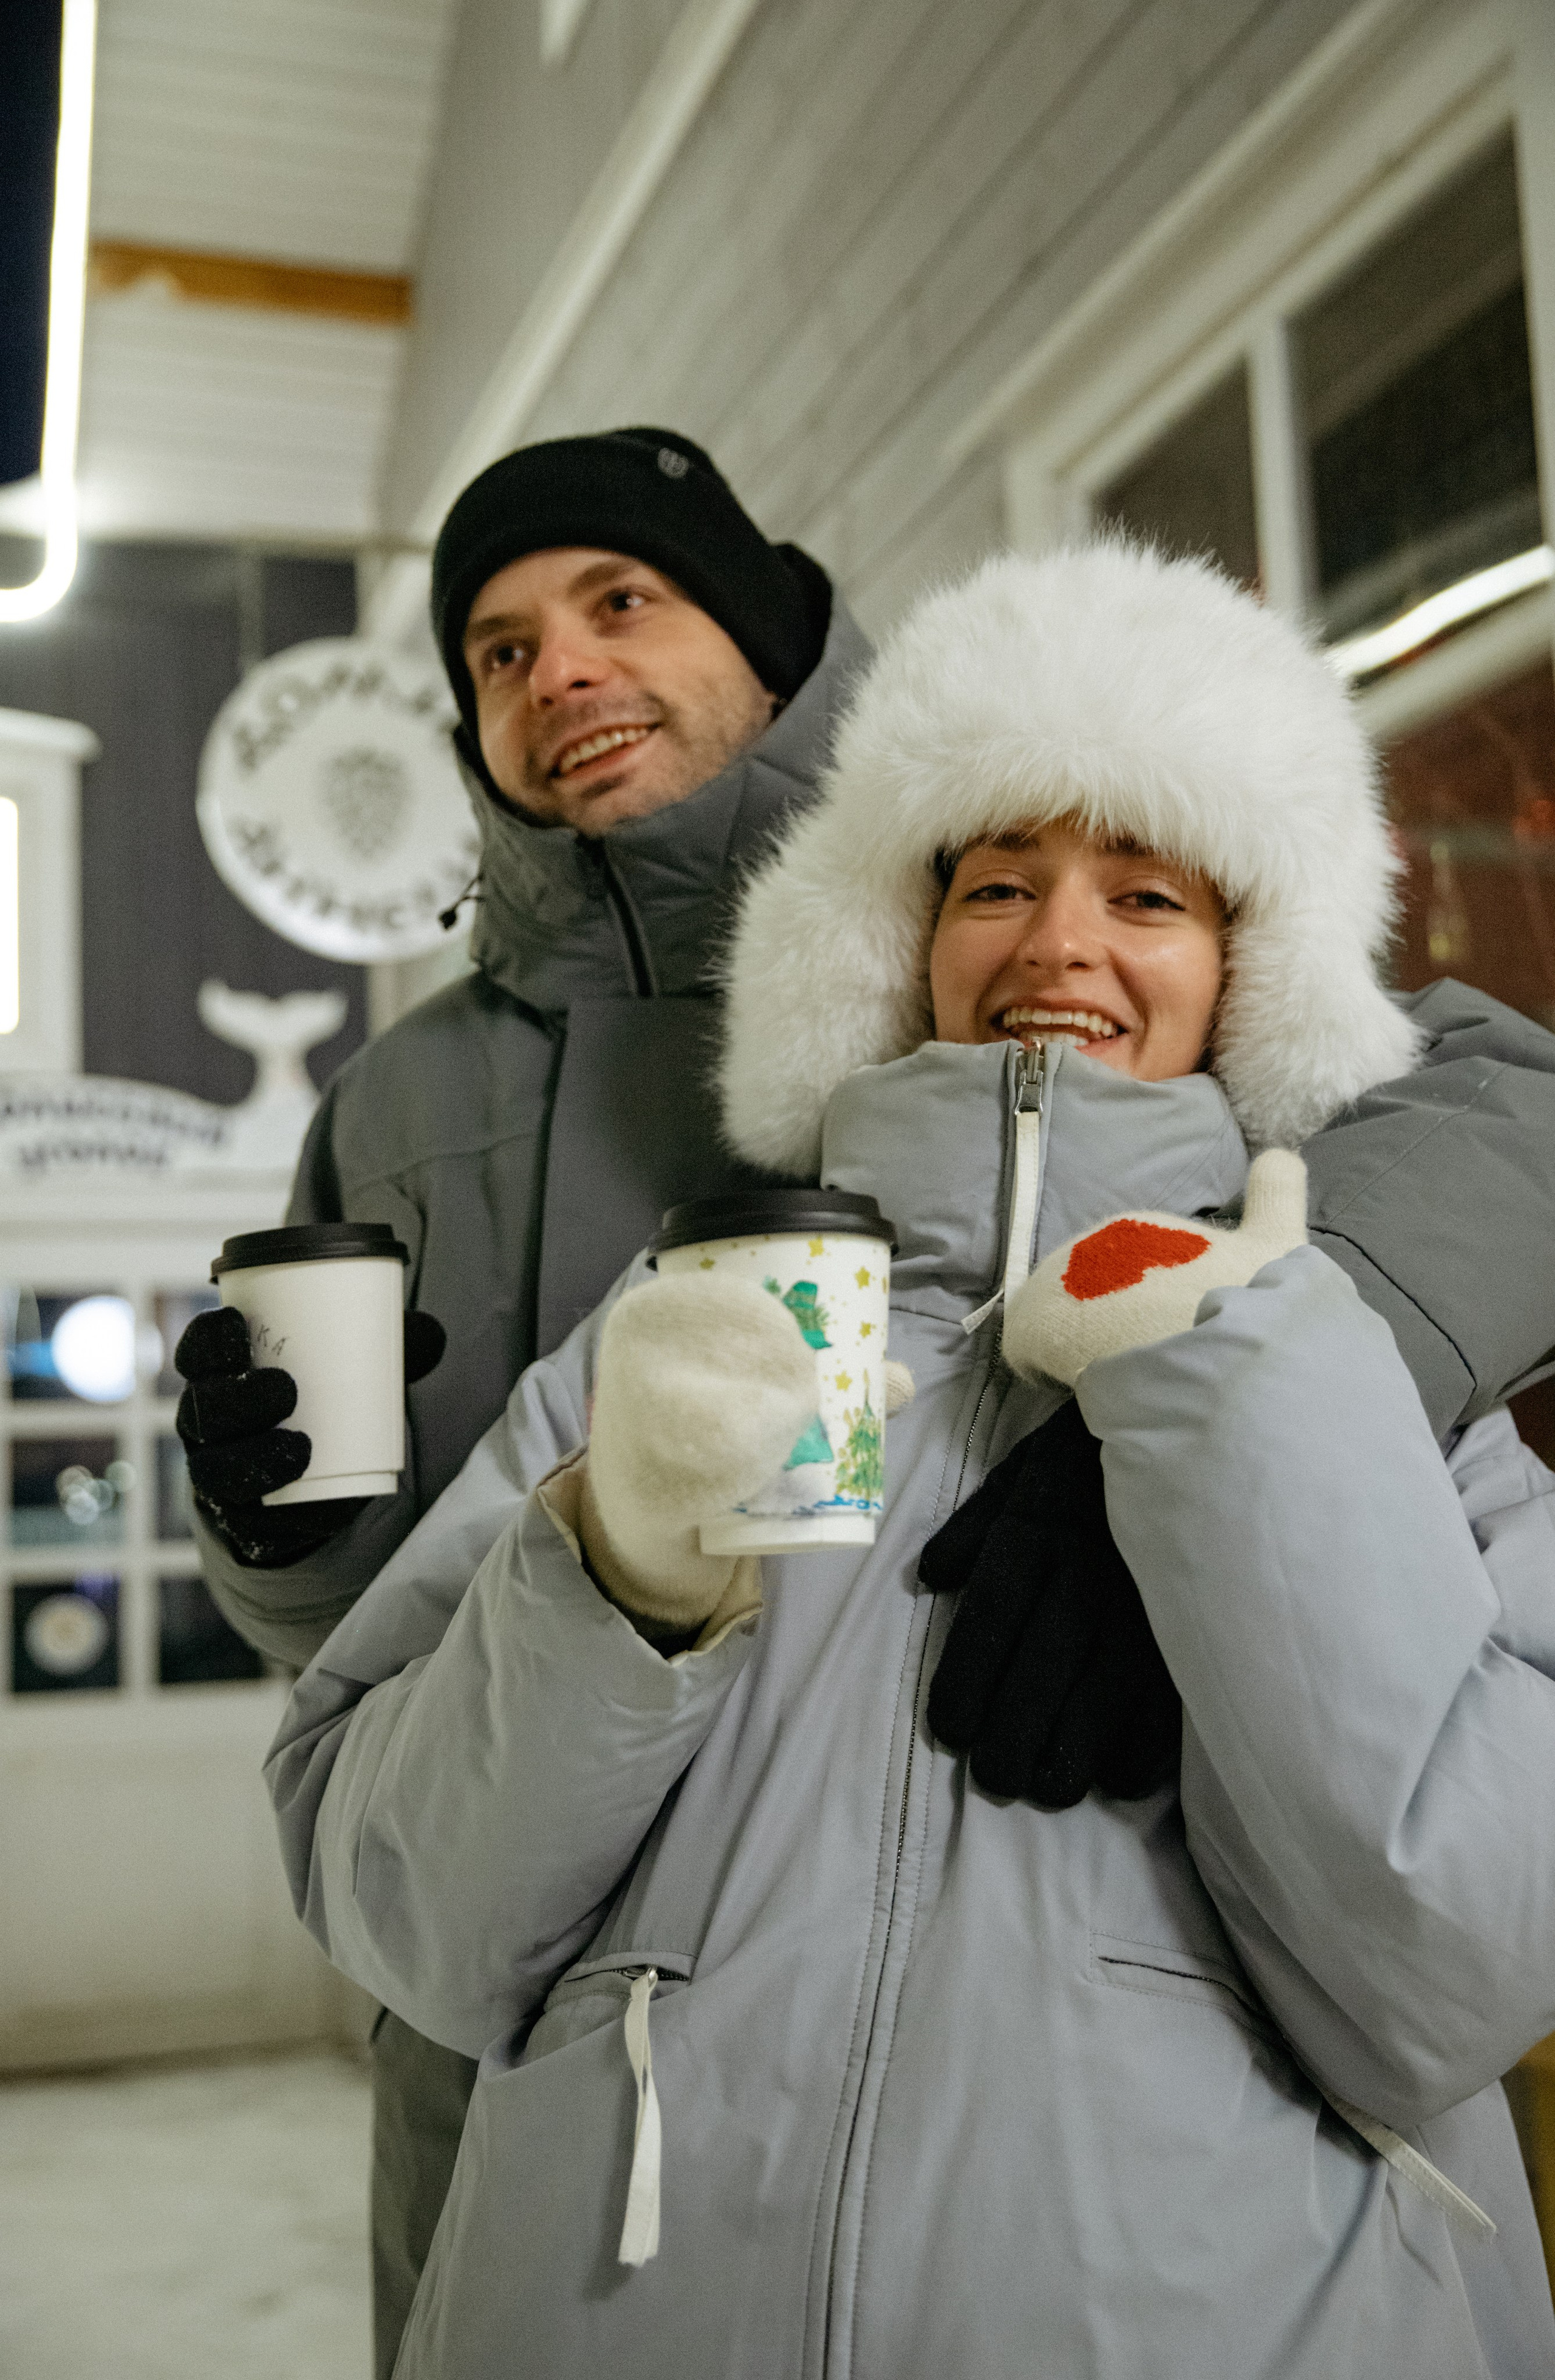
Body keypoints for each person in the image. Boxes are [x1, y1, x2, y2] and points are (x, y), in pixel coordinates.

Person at [270, 542, 1555, 2376]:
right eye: (999, 882)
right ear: (893, 938)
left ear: (1253, 971)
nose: (1060, 947)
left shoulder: (1380, 1373)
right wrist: (612, 1582)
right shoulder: (693, 1326)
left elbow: (1458, 1971)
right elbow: (411, 1915)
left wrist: (1236, 1404)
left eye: (1151, 895)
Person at [175, 425, 873, 2375]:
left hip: (881, 1965)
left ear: (769, 640)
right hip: (489, 2009)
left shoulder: (965, 954)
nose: (553, 670)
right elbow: (349, 1642)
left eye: (619, 603)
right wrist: (276, 1542)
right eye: (494, 649)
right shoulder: (397, 1103)